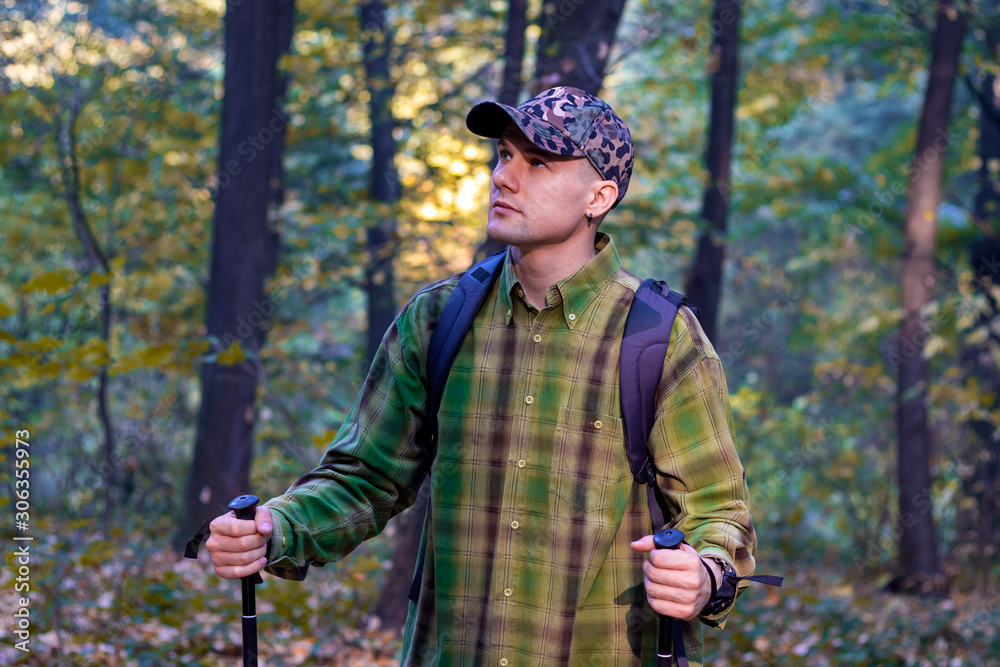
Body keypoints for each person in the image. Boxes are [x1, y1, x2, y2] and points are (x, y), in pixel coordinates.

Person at [205, 86, 757, 666]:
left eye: (538, 162)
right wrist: (277, 525)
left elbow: (719, 511)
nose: (504, 177)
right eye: (503, 156)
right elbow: (366, 477)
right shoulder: (438, 318)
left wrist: (703, 572)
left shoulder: (660, 337)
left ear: (600, 195)